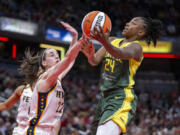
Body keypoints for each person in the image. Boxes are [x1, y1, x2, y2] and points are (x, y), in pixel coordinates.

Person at [81, 17, 163, 135]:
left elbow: (120, 53)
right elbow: (94, 61)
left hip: (121, 98)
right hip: (104, 98)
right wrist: (89, 54)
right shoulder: (112, 40)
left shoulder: (136, 48)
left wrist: (105, 41)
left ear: (140, 32)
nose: (127, 23)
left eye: (133, 23)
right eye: (129, 21)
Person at [26, 22, 83, 135]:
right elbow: (67, 58)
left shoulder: (57, 78)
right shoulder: (46, 78)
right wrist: (83, 38)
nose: (57, 56)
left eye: (57, 55)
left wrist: (75, 37)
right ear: (44, 62)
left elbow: (70, 60)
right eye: (52, 55)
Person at [0, 49, 41, 135]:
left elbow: (56, 119)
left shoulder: (49, 92)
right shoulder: (22, 90)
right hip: (21, 131)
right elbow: (5, 105)